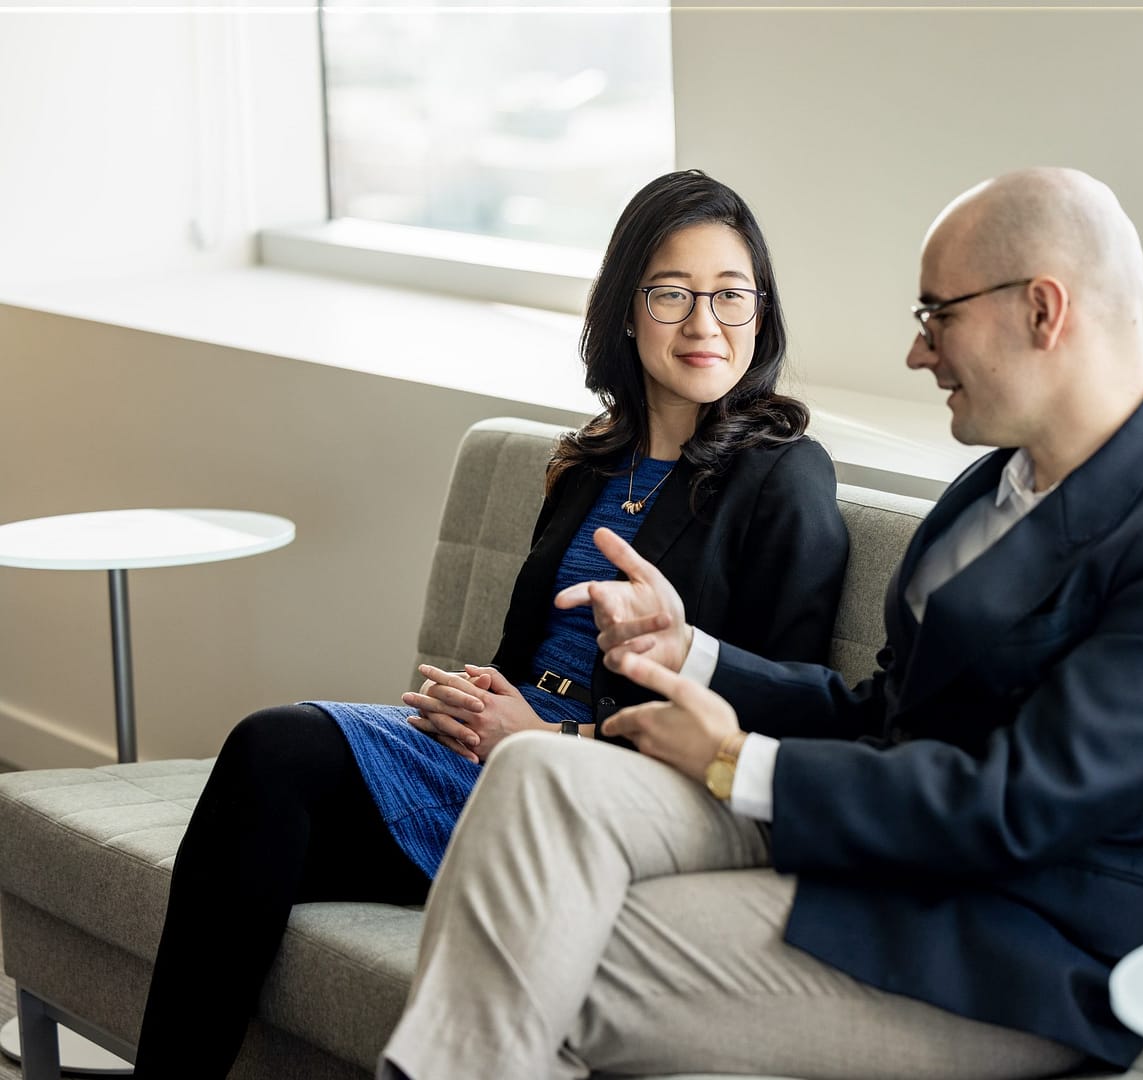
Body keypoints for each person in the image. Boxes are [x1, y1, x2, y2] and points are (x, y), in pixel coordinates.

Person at [380, 166, 1143, 1080]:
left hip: (1019, 946)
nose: (917, 354)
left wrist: (738, 761)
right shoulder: (993, 488)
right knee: (542, 771)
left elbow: (1020, 806)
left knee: (544, 948)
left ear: (1043, 312)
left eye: (937, 315)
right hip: (882, 843)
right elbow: (883, 712)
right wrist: (692, 654)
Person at [130, 169, 850, 1079]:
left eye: (730, 294)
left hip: (609, 782)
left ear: (762, 310)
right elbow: (528, 652)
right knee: (264, 789)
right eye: (672, 294)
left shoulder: (785, 476)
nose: (705, 323)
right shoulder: (594, 460)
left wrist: (548, 735)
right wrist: (472, 705)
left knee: (274, 763)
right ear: (627, 309)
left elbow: (773, 715)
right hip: (493, 749)